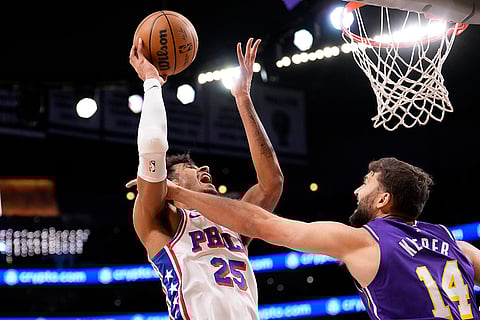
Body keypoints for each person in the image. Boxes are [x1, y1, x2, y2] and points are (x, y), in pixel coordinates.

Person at [167, 157, 480, 319]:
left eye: (367, 183)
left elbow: (261, 223)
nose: (358, 191)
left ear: (383, 200)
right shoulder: (457, 246)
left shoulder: (367, 241)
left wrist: (177, 193)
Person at [127, 37, 283, 319]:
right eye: (190, 167)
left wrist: (243, 99)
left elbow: (271, 182)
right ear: (169, 181)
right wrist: (151, 82)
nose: (204, 169)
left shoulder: (234, 223)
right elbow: (152, 145)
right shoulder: (162, 221)